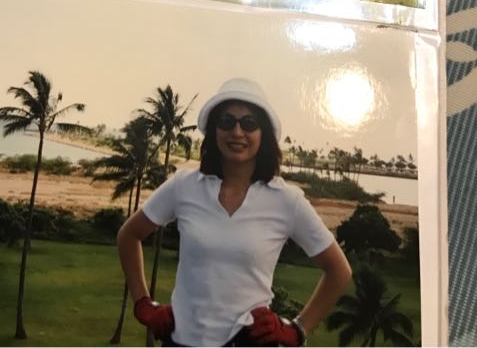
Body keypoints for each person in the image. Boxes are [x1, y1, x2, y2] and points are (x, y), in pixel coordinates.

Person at [117, 77, 352, 347]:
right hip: (182, 340)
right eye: (227, 122)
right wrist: (143, 304)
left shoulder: (286, 200)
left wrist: (298, 329)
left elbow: (339, 271)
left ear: (263, 133)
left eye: (249, 123)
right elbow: (129, 235)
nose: (237, 132)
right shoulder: (184, 186)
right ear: (214, 130)